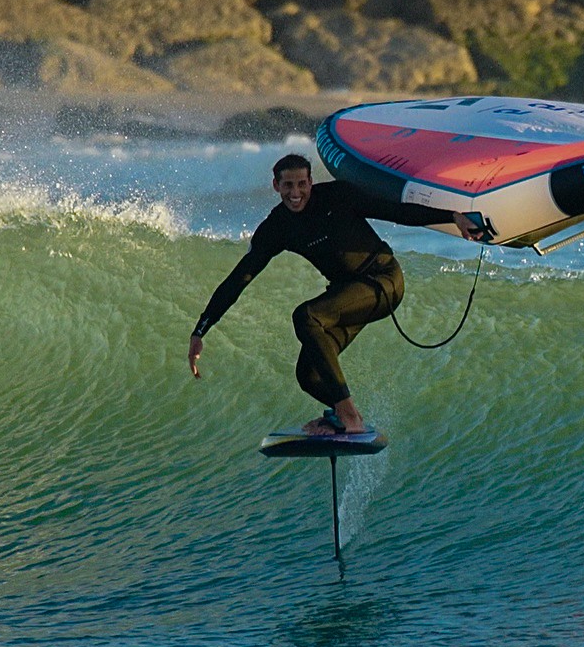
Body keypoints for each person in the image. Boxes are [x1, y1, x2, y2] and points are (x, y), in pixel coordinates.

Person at [187, 154, 484, 436]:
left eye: (302, 184)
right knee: (309, 376)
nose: (295, 193)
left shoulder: (338, 195)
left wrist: (452, 217)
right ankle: (342, 416)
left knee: (306, 316)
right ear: (276, 185)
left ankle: (348, 415)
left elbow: (396, 212)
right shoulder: (276, 227)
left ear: (310, 182)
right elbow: (238, 280)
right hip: (346, 291)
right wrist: (201, 329)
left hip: (382, 279)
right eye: (288, 185)